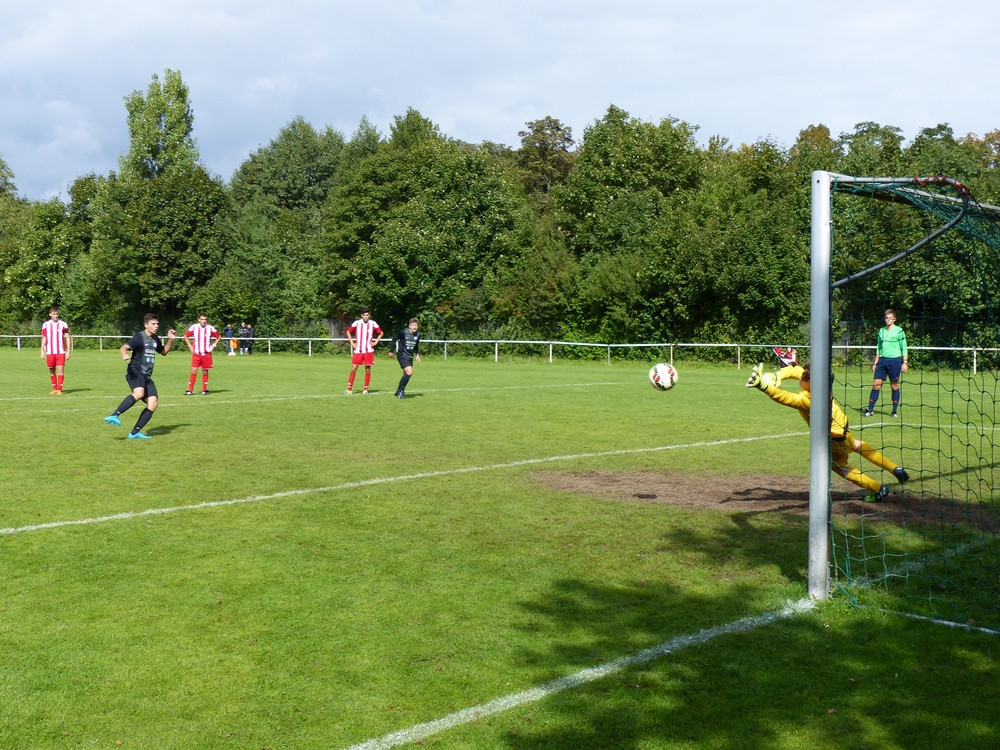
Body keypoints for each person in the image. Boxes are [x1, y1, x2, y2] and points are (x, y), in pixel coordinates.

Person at [746, 361, 909, 502]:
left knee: (839, 467)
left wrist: (764, 386)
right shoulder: (822, 386)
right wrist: (777, 376)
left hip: (834, 439)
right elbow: (795, 370)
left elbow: (785, 397)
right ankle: (895, 469)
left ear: (811, 383)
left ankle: (878, 489)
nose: (800, 378)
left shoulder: (808, 400)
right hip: (844, 428)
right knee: (857, 445)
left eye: (803, 378)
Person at [104, 313, 176, 440]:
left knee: (153, 403)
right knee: (139, 393)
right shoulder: (139, 337)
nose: (156, 326)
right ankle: (114, 415)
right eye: (153, 324)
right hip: (135, 371)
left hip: (146, 376)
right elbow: (124, 347)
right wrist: (124, 355)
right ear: (146, 325)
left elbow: (163, 352)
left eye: (157, 324)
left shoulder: (155, 339)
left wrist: (170, 340)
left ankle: (134, 433)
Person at [865, 309, 908, 418]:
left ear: (894, 319)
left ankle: (894, 411)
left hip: (894, 361)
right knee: (876, 385)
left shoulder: (899, 331)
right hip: (882, 361)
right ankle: (870, 410)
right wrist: (875, 363)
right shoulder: (881, 331)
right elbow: (879, 348)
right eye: (887, 318)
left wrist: (905, 362)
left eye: (890, 318)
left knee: (894, 385)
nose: (888, 320)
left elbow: (904, 347)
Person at [345, 308, 383, 395]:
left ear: (369, 315)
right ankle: (349, 389)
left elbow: (381, 333)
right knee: (354, 368)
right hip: (358, 350)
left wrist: (376, 342)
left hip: (368, 350)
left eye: (367, 315)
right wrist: (352, 342)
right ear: (361, 315)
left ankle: (365, 389)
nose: (366, 317)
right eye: (364, 315)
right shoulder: (357, 323)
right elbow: (348, 332)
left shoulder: (373, 323)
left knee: (367, 369)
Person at [184, 314, 221, 395]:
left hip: (206, 354)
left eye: (205, 319)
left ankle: (204, 390)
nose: (204, 321)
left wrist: (213, 346)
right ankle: (190, 390)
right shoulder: (194, 327)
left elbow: (218, 337)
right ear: (199, 319)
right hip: (196, 354)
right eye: (202, 319)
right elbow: (186, 336)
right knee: (194, 370)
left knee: (205, 371)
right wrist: (190, 346)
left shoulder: (210, 328)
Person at [40, 306, 72, 395]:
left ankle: (59, 389)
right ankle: (55, 388)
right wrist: (42, 351)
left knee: (60, 369)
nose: (56, 316)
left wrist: (68, 351)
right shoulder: (46, 325)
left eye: (57, 314)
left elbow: (67, 338)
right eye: (54, 314)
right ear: (50, 314)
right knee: (51, 370)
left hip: (60, 351)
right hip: (50, 351)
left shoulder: (63, 324)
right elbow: (44, 338)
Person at [389, 318, 421, 399]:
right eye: (413, 325)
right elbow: (394, 338)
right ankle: (400, 391)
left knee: (405, 375)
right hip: (402, 355)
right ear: (409, 326)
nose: (414, 327)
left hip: (410, 356)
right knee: (410, 372)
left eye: (416, 325)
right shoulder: (403, 332)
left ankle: (398, 391)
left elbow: (416, 345)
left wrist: (417, 354)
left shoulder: (418, 334)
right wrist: (391, 350)